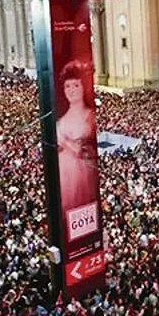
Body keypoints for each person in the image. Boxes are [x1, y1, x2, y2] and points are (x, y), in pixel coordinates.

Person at [56, 59, 99, 209]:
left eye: (76, 85)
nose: (71, 90)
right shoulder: (60, 123)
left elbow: (87, 151)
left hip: (84, 177)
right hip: (65, 180)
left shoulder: (90, 117)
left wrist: (65, 142)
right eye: (67, 86)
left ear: (83, 87)